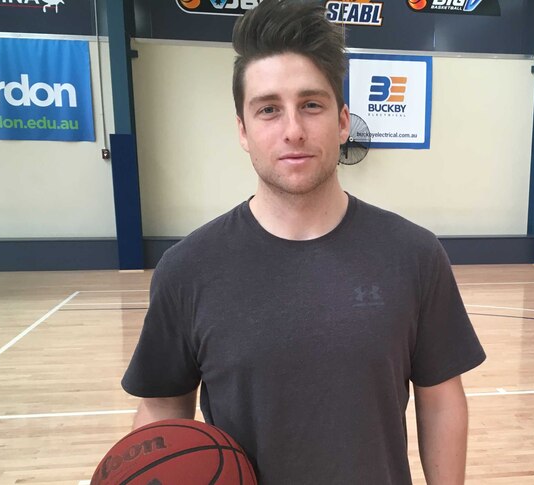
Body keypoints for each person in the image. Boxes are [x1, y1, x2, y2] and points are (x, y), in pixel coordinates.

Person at [121, 0, 486, 483]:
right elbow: (163, 411)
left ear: (341, 122)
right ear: (243, 131)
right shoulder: (187, 269)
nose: (293, 130)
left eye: (311, 105)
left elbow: (440, 401)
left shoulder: (414, 255)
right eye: (268, 109)